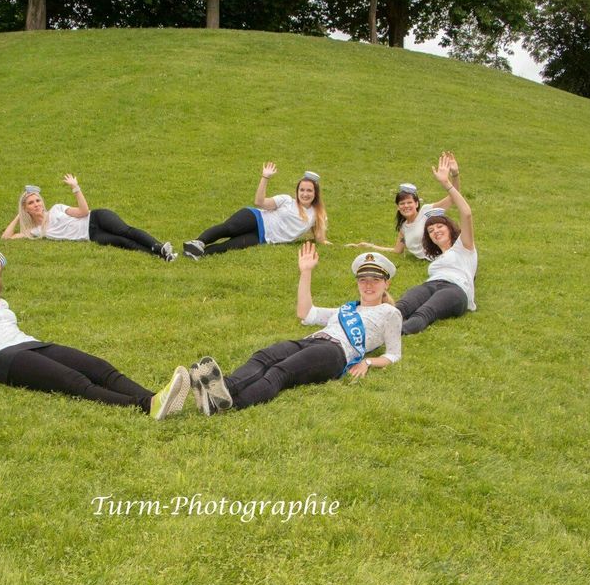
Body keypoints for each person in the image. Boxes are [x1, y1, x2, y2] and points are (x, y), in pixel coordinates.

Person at [0, 249, 189, 419]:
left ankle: (156, 397)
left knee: (99, 367)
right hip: (5, 359)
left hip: (31, 345)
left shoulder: (1, 304)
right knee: (74, 381)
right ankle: (146, 405)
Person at [185, 242, 402, 414]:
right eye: (363, 279)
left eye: (375, 280)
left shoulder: (390, 312)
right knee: (264, 356)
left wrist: (368, 361)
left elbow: (394, 354)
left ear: (386, 284)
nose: (368, 285)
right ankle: (222, 388)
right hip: (313, 340)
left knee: (280, 372)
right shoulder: (345, 309)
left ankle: (230, 403)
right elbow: (305, 313)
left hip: (335, 353)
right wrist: (305, 272)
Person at [1, 175, 176, 261]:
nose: (36, 204)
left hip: (96, 218)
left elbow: (83, 212)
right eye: (31, 203)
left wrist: (75, 188)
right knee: (123, 243)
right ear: (27, 209)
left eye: (37, 200)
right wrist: (19, 215)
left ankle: (158, 246)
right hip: (91, 235)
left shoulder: (56, 209)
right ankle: (162, 256)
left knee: (125, 231)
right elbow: (6, 237)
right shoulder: (36, 231)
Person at [394, 153, 476, 334]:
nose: (435, 231)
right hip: (431, 283)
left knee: (423, 313)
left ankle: (388, 338)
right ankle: (368, 329)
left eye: (440, 226)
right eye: (430, 231)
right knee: (400, 307)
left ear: (450, 229)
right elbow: (397, 249)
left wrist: (450, 180)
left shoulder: (465, 247)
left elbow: (466, 213)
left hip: (456, 289)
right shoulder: (435, 257)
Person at [182, 162, 329, 259]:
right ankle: (198, 242)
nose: (305, 194)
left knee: (228, 247)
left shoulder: (317, 215)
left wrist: (344, 246)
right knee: (229, 228)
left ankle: (197, 255)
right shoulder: (286, 200)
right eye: (302, 190)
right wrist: (265, 177)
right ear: (297, 191)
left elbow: (320, 239)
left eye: (309, 190)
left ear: (315, 193)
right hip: (255, 218)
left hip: (262, 238)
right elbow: (259, 202)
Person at [346, 152, 462, 260]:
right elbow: (397, 251)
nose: (406, 206)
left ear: (416, 204)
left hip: (446, 258)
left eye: (409, 202)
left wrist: (455, 174)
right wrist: (367, 246)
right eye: (402, 203)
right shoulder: (404, 227)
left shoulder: (427, 212)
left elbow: (454, 196)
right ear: (398, 207)